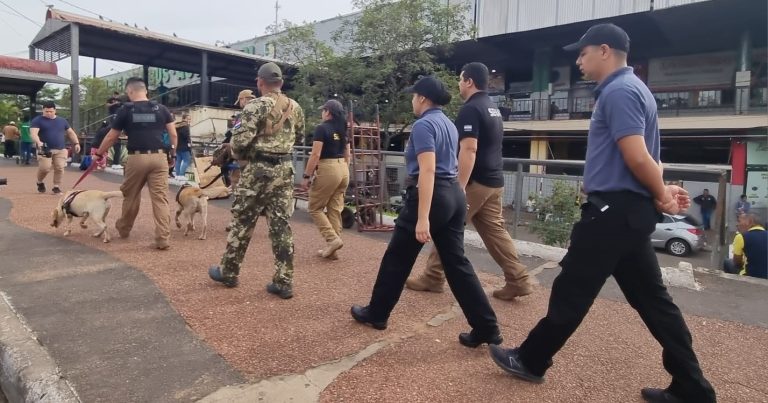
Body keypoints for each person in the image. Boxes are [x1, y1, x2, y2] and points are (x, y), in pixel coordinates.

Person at [487, 24, 716, 403]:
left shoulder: (619, 91)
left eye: (583, 52)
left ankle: (530, 359)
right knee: (655, 303)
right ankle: (693, 386)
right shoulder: (637, 89)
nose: (579, 60)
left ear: (605, 50)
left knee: (571, 291)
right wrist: (660, 191)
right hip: (627, 213)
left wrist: (659, 194)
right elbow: (648, 156)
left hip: (611, 214)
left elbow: (636, 155)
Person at [350, 76, 502, 348]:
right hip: (454, 193)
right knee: (457, 264)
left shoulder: (423, 125)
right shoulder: (448, 124)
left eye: (413, 96)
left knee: (397, 258)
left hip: (431, 196)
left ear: (422, 98)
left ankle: (377, 313)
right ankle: (487, 327)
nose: (412, 100)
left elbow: (428, 169)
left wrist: (422, 217)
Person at [405, 62, 533, 300]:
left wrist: (459, 186)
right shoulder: (492, 107)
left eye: (460, 79)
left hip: (475, 182)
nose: (458, 84)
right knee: (495, 232)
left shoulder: (471, 109)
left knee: (445, 226)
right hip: (494, 180)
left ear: (469, 82)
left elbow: (469, 149)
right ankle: (519, 279)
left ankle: (432, 277)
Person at [207, 63, 305, 300]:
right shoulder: (295, 107)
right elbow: (300, 136)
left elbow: (239, 143)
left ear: (260, 82)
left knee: (243, 221)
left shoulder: (255, 106)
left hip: (258, 169)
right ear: (280, 82)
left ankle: (229, 272)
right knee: (281, 225)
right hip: (284, 170)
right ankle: (284, 281)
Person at [94, 77, 177, 250]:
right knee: (160, 199)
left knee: (130, 195)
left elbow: (111, 136)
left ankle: (124, 228)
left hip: (136, 157)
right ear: (145, 90)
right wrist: (173, 153)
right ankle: (162, 238)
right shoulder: (162, 109)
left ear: (129, 92)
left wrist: (99, 153)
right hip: (160, 157)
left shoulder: (125, 110)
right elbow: (173, 134)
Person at [300, 99, 351, 260]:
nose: (322, 113)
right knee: (334, 209)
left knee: (315, 207)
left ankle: (332, 240)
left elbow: (315, 155)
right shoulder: (343, 129)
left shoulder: (322, 129)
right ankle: (333, 250)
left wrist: (306, 176)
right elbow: (347, 154)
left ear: (328, 112)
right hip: (343, 168)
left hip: (328, 168)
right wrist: (343, 169)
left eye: (323, 110)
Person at [30, 102, 81, 194]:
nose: (49, 113)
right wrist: (38, 142)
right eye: (46, 111)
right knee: (45, 168)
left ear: (55, 111)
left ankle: (56, 186)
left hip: (61, 149)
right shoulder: (37, 120)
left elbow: (70, 133)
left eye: (51, 111)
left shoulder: (62, 121)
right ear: (43, 110)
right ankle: (39, 182)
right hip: (45, 149)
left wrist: (76, 143)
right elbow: (34, 133)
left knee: (60, 167)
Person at [733, 213, 767, 279]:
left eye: (739, 221)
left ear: (750, 222)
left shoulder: (741, 237)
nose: (737, 224)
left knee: (727, 263)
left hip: (750, 277)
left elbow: (737, 262)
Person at [174, 113, 193, 180]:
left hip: (177, 146)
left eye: (190, 119)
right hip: (184, 147)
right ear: (184, 119)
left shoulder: (177, 126)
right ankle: (181, 175)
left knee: (178, 161)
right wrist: (189, 143)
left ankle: (177, 175)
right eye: (188, 119)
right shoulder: (185, 126)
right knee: (186, 160)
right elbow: (186, 136)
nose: (190, 120)